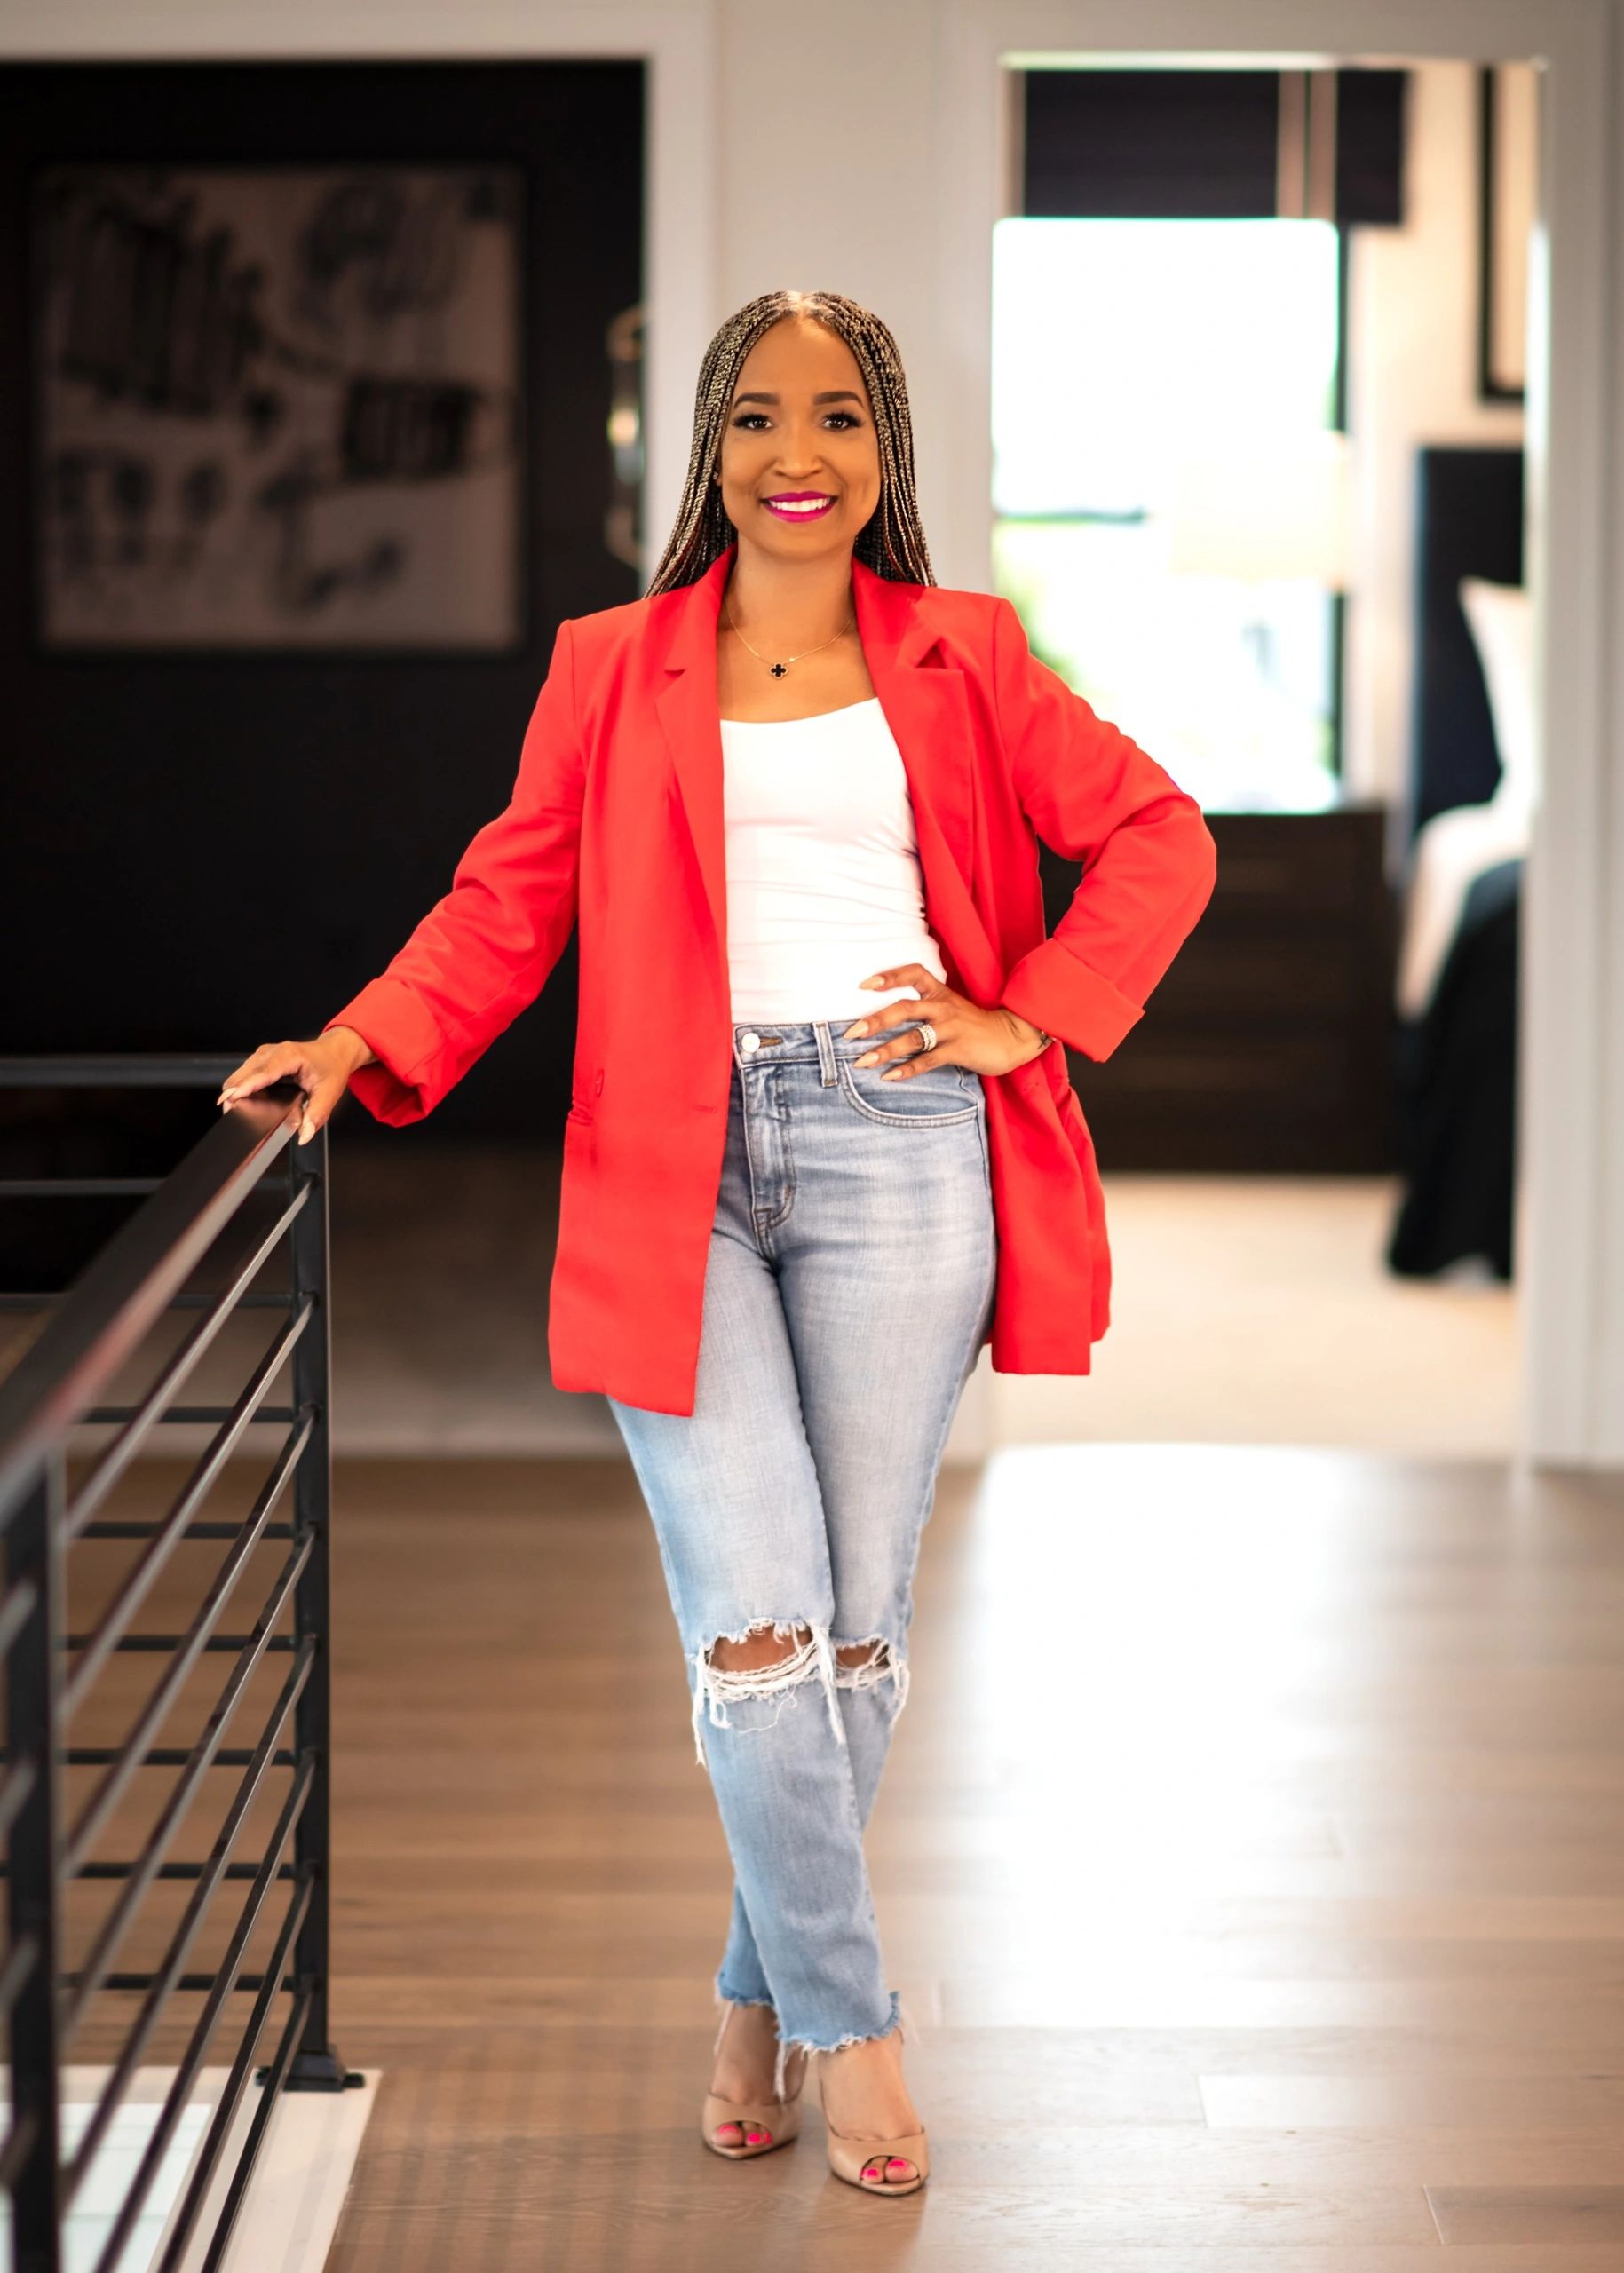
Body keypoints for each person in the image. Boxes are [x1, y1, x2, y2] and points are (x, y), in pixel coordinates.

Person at [217, 288, 1217, 2198]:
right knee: (753, 1623)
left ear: (884, 450)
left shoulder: (966, 652)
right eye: (759, 417)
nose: (797, 455)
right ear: (710, 445)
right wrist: (360, 1038)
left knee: (850, 1638)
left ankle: (755, 1991)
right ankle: (857, 2021)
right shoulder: (615, 662)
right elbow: (507, 899)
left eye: (837, 418)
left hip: (899, 1139)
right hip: (669, 1160)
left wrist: (1030, 1015)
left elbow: (1162, 831)